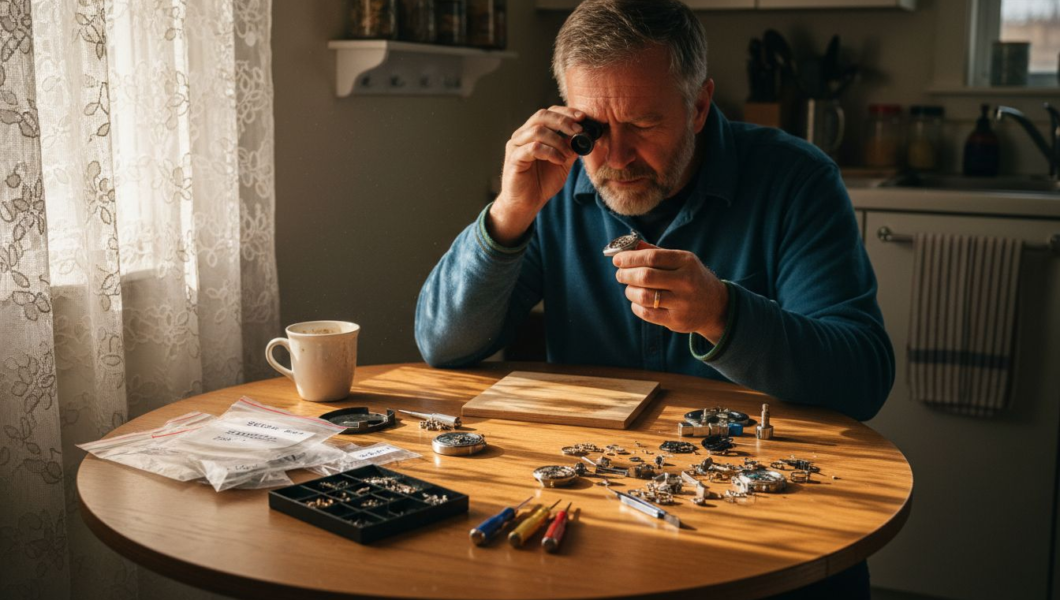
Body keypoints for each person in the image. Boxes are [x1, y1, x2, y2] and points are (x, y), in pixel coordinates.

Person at [417, 2, 893, 595]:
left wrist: (724, 314)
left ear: (698, 106)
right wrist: (508, 214)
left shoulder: (797, 180)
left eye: (642, 124)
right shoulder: (556, 185)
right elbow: (443, 345)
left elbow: (863, 377)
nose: (615, 159)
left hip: (767, 524)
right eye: (594, 128)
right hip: (597, 508)